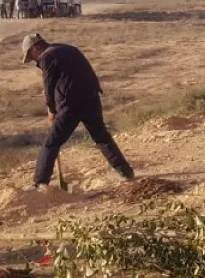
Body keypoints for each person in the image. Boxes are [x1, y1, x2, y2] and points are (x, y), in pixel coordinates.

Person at [21, 33, 134, 189]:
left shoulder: (47, 57)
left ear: (36, 47)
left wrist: (52, 110)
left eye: (31, 55)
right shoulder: (68, 48)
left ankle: (41, 183)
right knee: (101, 137)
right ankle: (126, 173)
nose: (34, 60)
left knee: (51, 143)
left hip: (70, 106)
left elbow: (48, 87)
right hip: (91, 99)